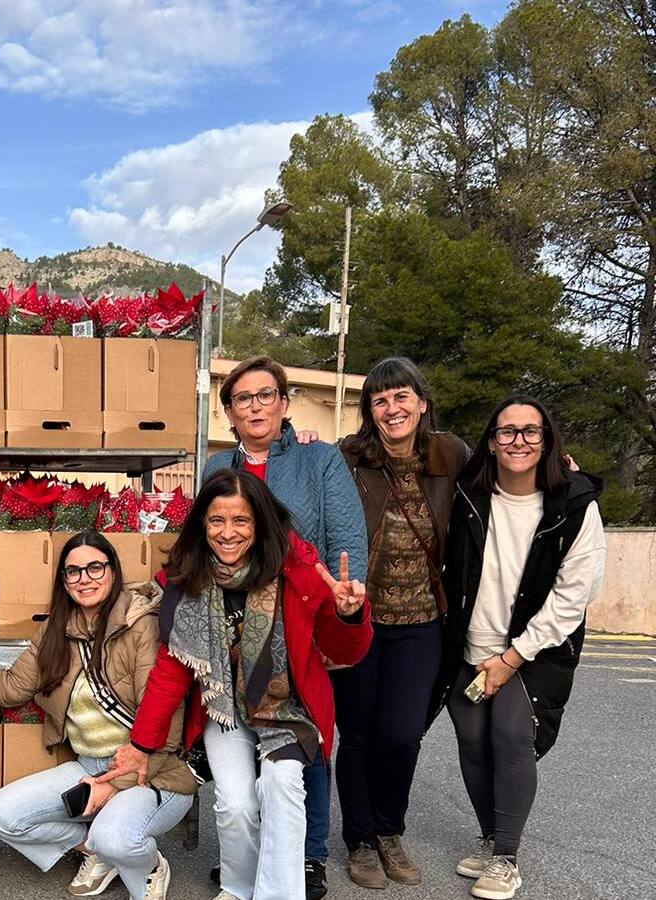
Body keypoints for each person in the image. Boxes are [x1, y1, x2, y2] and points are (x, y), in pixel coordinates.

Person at [103, 468, 372, 900]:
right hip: (223, 707)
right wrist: (142, 744)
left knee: (282, 784)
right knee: (235, 804)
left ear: (260, 522)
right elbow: (172, 671)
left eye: (241, 521)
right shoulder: (187, 579)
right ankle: (238, 885)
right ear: (202, 524)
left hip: (286, 708)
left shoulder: (299, 572)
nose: (227, 533)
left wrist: (348, 614)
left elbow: (345, 652)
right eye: (216, 521)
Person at [0, 530, 197, 900]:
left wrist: (110, 786)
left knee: (117, 838)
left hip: (153, 772)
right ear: (63, 581)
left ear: (113, 571)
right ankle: (94, 850)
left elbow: (166, 729)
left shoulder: (142, 626)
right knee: (0, 815)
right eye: (73, 572)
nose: (84, 578)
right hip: (90, 765)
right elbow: (10, 688)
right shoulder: (56, 630)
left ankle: (148, 865)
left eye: (94, 568)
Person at [204, 354, 368, 900]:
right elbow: (203, 542)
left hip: (304, 618)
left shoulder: (317, 459)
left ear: (283, 402)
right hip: (238, 626)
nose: (255, 406)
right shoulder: (217, 469)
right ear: (228, 411)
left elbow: (345, 534)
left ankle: (309, 857)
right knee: (253, 745)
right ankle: (258, 857)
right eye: (242, 398)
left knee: (306, 745)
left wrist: (342, 605)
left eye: (265, 395)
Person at [429, 395, 606, 900]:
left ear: (547, 441)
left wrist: (513, 657)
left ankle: (506, 857)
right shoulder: (470, 496)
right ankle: (490, 838)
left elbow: (575, 595)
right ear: (491, 442)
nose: (519, 441)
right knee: (472, 743)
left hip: (532, 651)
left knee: (510, 737)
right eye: (507, 431)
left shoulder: (573, 506)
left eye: (531, 431)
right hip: (468, 644)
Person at [332, 357, 468, 889]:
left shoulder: (450, 453)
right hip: (361, 619)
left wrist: (561, 476)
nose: (392, 408)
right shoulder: (349, 457)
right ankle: (361, 843)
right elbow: (303, 478)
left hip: (422, 621)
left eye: (401, 396)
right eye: (380, 400)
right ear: (370, 410)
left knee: (402, 733)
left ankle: (390, 831)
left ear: (422, 401)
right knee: (359, 733)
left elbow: (504, 477)